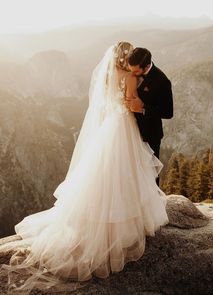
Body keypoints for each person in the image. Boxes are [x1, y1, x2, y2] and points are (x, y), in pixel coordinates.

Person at [0, 41, 169, 295]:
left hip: (110, 128)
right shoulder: (131, 78)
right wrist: (135, 104)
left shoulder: (110, 77)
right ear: (128, 62)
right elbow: (130, 102)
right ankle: (129, 221)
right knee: (129, 173)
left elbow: (119, 103)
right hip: (126, 128)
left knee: (104, 174)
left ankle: (98, 219)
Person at [125, 47, 173, 185]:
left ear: (146, 66)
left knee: (151, 173)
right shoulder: (133, 71)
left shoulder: (162, 81)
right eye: (130, 69)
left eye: (135, 71)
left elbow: (168, 112)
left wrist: (143, 108)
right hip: (131, 130)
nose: (132, 73)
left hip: (150, 134)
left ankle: (154, 204)